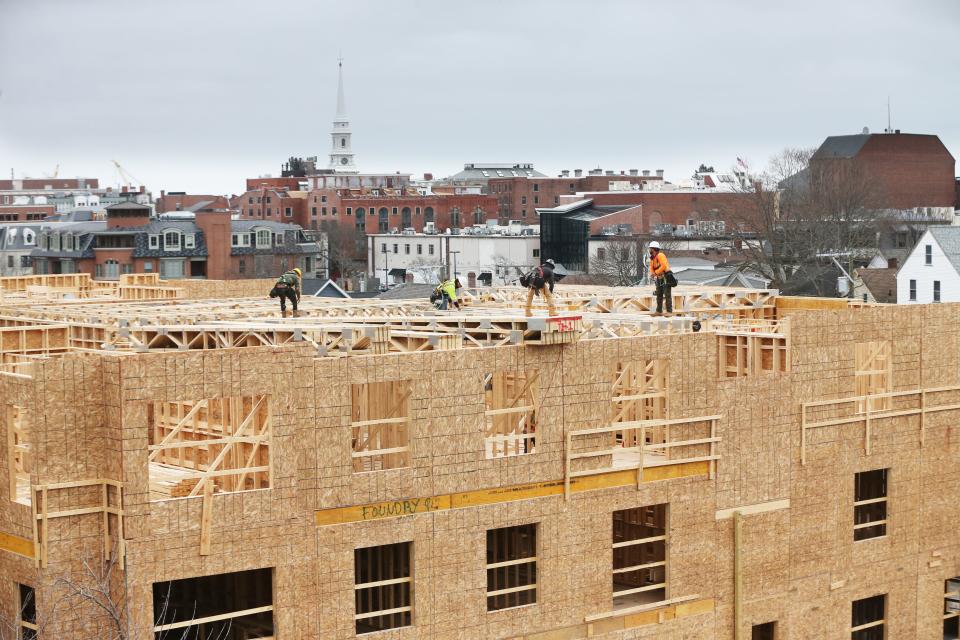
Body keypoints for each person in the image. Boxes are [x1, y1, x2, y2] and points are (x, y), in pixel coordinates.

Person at [648, 241, 672, 316]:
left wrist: (655, 273)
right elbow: (651, 267)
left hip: (666, 276)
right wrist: (652, 273)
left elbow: (664, 266)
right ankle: (659, 311)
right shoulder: (653, 258)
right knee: (659, 294)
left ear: (654, 249)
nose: (649, 250)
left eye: (650, 249)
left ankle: (669, 311)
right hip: (659, 277)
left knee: (667, 294)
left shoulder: (660, 255)